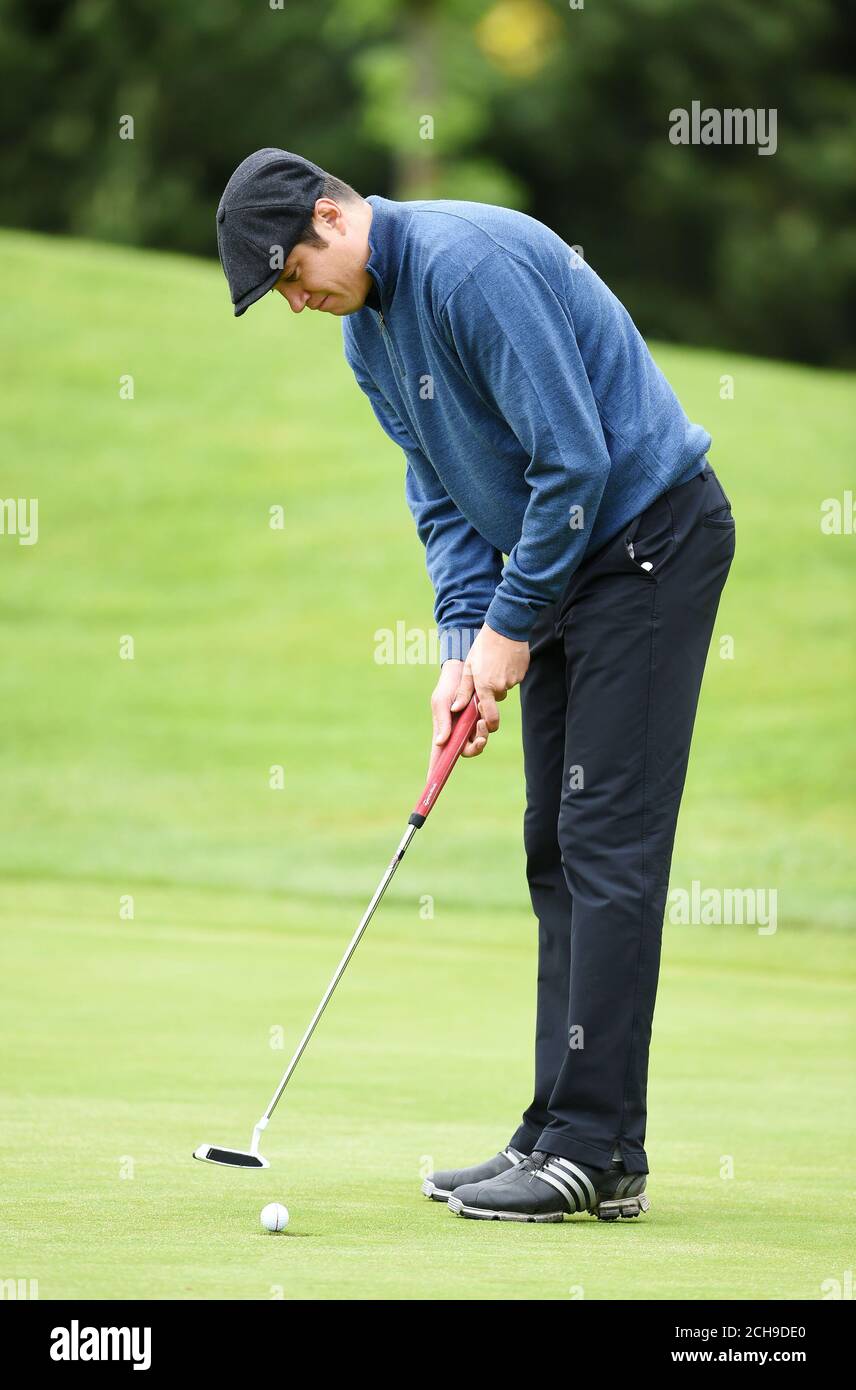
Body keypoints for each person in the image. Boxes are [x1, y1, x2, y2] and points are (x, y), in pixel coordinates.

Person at [216, 148, 735, 1223]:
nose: (299, 303)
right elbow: (444, 496)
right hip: (569, 571)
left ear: (332, 215)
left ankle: (598, 1148)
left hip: (647, 544)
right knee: (554, 841)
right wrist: (464, 646)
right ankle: (557, 1125)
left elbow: (575, 463)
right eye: (282, 296)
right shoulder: (369, 336)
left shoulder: (465, 264)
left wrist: (510, 626)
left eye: (293, 275)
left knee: (607, 844)